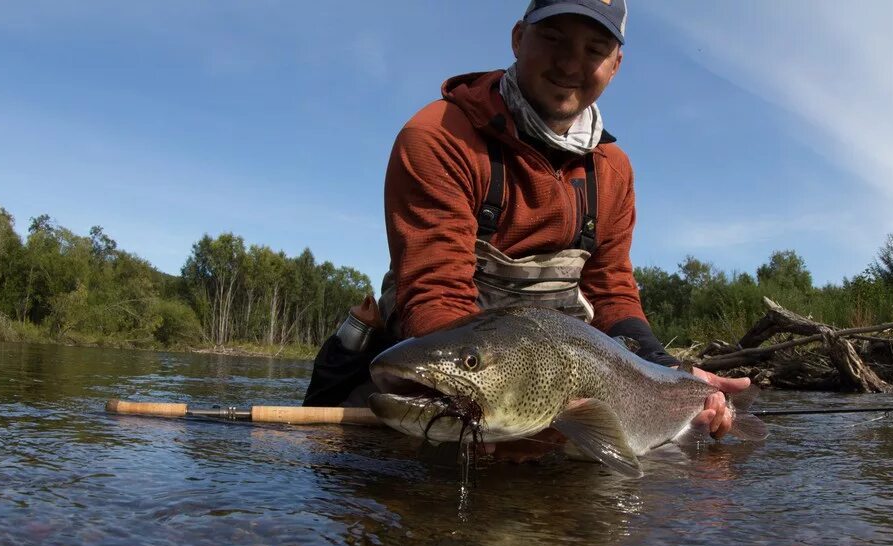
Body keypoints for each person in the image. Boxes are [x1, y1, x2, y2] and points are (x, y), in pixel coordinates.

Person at [305, 0, 749, 445]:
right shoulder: (438, 136)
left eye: (594, 49)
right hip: (455, 363)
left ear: (615, 65)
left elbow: (611, 291)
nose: (570, 63)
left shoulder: (613, 172)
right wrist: (512, 408)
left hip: (546, 380)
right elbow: (435, 292)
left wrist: (668, 371)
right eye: (553, 39)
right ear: (518, 38)